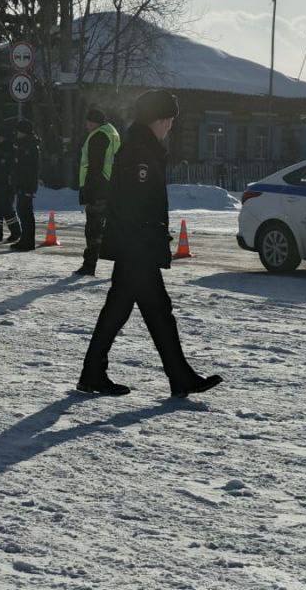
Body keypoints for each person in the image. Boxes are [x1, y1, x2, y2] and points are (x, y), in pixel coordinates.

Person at [78, 89, 222, 399]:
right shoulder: (140, 152)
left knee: (127, 310)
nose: (170, 126)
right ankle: (177, 376)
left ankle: (95, 372)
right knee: (154, 310)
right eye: (168, 119)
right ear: (155, 119)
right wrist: (149, 239)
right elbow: (134, 205)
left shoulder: (144, 148)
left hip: (137, 245)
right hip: (137, 246)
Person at [75, 107, 121, 276]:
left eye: (88, 121)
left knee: (93, 229)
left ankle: (89, 265)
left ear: (94, 122)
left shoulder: (98, 136)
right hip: (110, 186)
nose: (86, 125)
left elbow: (94, 167)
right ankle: (122, 265)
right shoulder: (112, 133)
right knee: (109, 229)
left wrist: (88, 192)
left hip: (98, 188)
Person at [10, 119, 40, 252]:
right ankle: (25, 239)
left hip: (26, 185)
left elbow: (29, 169)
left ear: (23, 132)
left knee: (25, 213)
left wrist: (26, 186)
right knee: (23, 212)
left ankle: (28, 242)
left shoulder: (29, 147)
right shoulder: (23, 145)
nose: (16, 133)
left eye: (18, 131)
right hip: (23, 184)